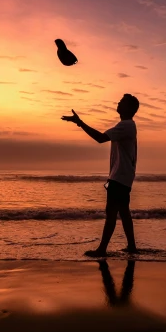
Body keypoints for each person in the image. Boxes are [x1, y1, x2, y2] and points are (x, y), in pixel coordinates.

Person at [61, 93, 139, 256]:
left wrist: (80, 123)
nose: (118, 102)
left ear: (129, 108)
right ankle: (131, 246)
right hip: (124, 176)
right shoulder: (127, 125)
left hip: (119, 177)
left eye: (122, 101)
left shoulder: (126, 125)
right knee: (124, 212)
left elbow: (100, 138)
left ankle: (102, 249)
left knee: (111, 212)